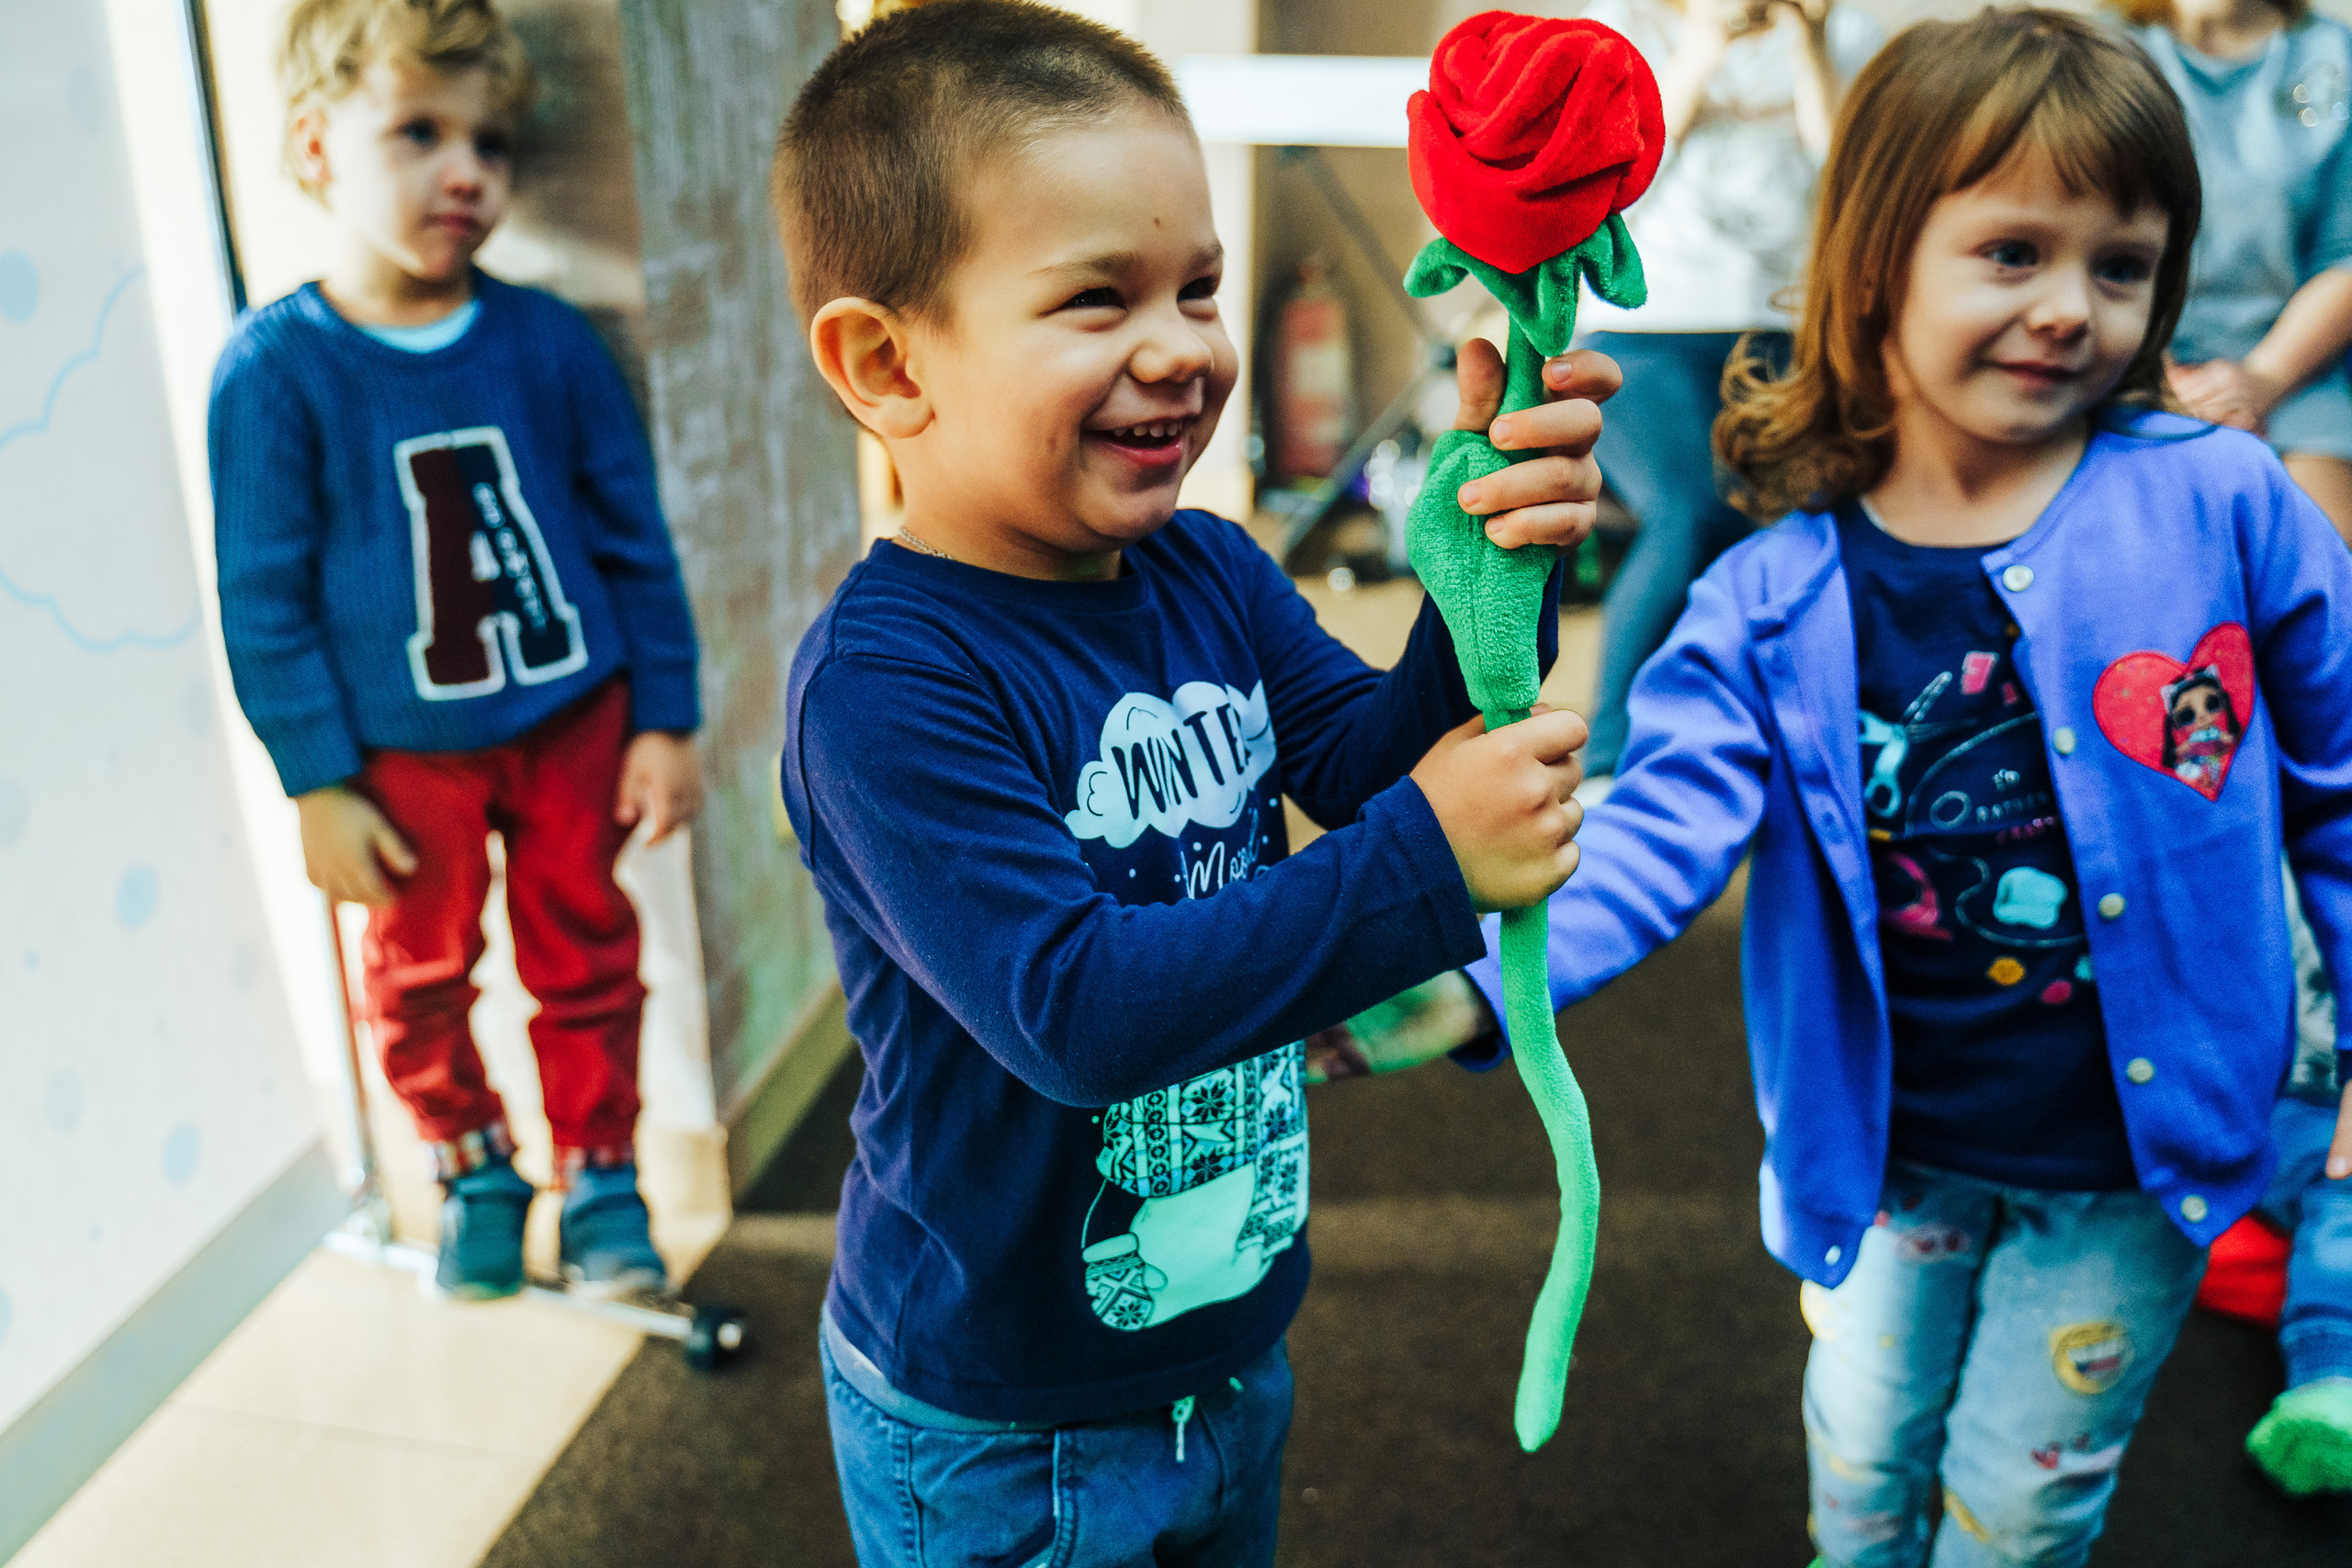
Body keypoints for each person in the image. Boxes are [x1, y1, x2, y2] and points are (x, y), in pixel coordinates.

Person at [1336, 11, 2352, 1562]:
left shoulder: (2226, 506)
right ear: (1877, 264)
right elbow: (1657, 833)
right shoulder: (1769, 591)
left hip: (2133, 1167)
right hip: (1886, 1158)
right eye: (2011, 254)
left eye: (2123, 265)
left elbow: (2338, 788)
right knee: (1863, 1468)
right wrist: (1475, 980)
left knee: (2019, 1510)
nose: (2073, 308)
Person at [770, 4, 1619, 1561]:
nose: (1182, 347)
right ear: (887, 362)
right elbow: (1078, 1011)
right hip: (998, 1420)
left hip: (1220, 1334)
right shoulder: (884, 693)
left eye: (1199, 285)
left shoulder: (1209, 568)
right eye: (1098, 299)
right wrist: (1432, 861)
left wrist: (1482, 573)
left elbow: (1369, 770)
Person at [209, 0, 704, 1303]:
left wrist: (666, 713)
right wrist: (317, 777)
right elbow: (263, 599)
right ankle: (471, 1161)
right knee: (416, 973)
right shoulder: (275, 372)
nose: (468, 170)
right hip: (397, 750)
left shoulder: (547, 341)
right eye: (418, 131)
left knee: (586, 946)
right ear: (317, 146)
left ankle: (602, 1170)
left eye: (489, 140)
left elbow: (631, 534)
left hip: (570, 717)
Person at [1569, 0, 1881, 781]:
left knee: (1812, 519)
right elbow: (1608, 187)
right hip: (1643, 331)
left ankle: (1783, 759)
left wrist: (1809, 44)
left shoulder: (1849, 29)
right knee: (1690, 508)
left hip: (1792, 329)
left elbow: (1859, 187)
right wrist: (1704, 47)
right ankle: (1609, 761)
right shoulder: (1619, 24)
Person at [2122, 0, 2352, 545]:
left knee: (2327, 548)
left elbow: (2343, 257)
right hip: (2126, 359)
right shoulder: (2106, 53)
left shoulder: (2333, 60)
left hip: (2294, 371)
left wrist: (2263, 379)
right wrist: (2152, 370)